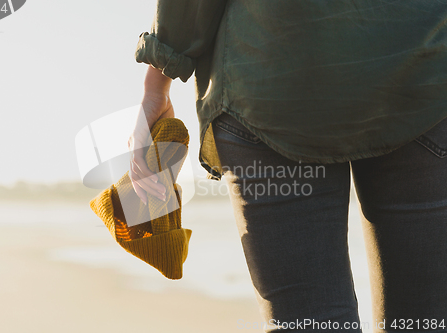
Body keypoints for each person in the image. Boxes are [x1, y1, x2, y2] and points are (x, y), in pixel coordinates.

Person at [128, 1, 447, 332]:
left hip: (269, 79)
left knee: (308, 323)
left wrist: (156, 86)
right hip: (422, 76)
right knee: (425, 322)